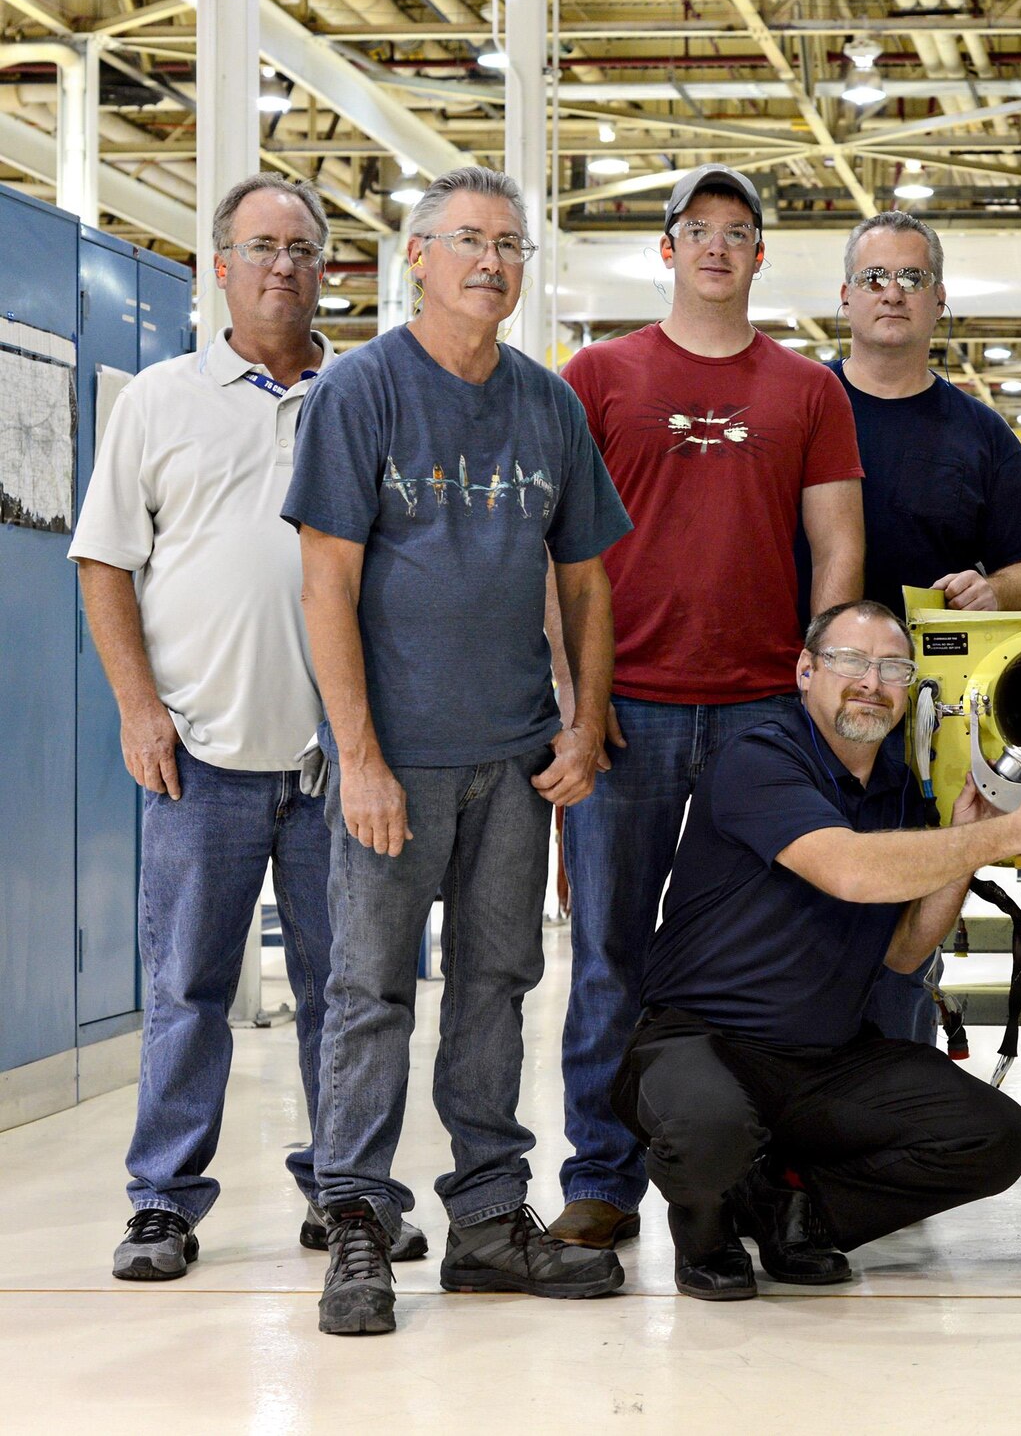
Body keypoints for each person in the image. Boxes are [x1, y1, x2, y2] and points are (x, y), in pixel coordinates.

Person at [284, 166, 633, 1336]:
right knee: (369, 992)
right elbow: (325, 582)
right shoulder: (361, 391)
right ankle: (357, 1228)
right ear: (417, 258)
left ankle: (488, 1222)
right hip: (399, 761)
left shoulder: (548, 405)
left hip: (515, 760)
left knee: (498, 987)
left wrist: (583, 718)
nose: (493, 261)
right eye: (469, 240)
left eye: (511, 245)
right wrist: (361, 756)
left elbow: (583, 579)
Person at [69, 175, 426, 1277]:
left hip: (338, 765)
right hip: (200, 758)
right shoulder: (160, 401)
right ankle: (164, 1203)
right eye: (261, 246)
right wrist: (138, 708)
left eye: (304, 249)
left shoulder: (365, 397)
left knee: (350, 992)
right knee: (188, 989)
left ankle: (346, 1191)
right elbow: (104, 559)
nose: (284, 265)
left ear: (329, 271)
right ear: (216, 265)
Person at [550, 164, 866, 1252]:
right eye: (698, 231)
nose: (718, 248)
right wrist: (575, 698)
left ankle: (748, 1172)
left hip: (757, 713)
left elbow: (837, 544)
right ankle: (600, 1175)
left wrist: (816, 688)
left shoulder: (806, 390)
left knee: (766, 951)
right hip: (625, 702)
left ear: (761, 254)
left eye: (739, 232)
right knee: (608, 949)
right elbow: (561, 549)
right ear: (667, 249)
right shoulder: (596, 373)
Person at [612, 600, 1021, 1300]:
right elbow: (848, 870)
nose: (870, 682)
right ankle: (705, 1228)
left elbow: (906, 955)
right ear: (805, 670)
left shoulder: (899, 791)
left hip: (823, 1060)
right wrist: (1006, 837)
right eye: (850, 661)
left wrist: (964, 849)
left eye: (891, 668)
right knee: (711, 1130)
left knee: (994, 1135)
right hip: (701, 1044)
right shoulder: (761, 755)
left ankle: (794, 1209)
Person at [828, 209, 1021, 1045]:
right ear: (846, 299)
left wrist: (996, 589)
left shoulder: (978, 432)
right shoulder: (800, 408)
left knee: (910, 920)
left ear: (939, 302)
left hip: (924, 722)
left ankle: (891, 1090)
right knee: (793, 912)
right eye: (876, 278)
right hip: (804, 721)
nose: (894, 294)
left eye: (913, 278)